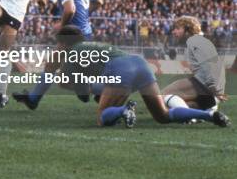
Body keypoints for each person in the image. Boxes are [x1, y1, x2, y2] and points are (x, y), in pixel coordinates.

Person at [16, 26, 230, 128]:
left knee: (102, 118)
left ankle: (124, 110)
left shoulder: (71, 53)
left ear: (63, 43)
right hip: (140, 65)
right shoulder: (91, 46)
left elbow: (77, 89)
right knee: (163, 115)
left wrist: (58, 79)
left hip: (120, 71)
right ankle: (209, 116)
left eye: (58, 43)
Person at [17, 0, 104, 108]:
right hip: (84, 32)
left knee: (66, 77)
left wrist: (61, 25)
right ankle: (33, 99)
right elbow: (98, 2)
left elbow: (69, 9)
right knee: (54, 65)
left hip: (73, 35)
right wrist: (84, 15)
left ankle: (102, 91)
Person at [162, 16, 227, 112]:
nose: (173, 32)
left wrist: (216, 91)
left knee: (163, 95)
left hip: (209, 89)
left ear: (187, 30)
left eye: (177, 28)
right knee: (175, 105)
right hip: (211, 92)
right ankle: (208, 109)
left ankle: (190, 117)